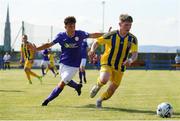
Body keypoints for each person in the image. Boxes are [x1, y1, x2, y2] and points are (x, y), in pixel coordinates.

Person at [33, 16, 104, 106]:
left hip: (74, 66)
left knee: (62, 83)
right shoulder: (61, 36)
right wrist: (36, 49)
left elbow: (93, 35)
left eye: (74, 26)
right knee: (65, 80)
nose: (73, 28)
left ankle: (47, 101)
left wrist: (107, 34)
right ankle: (77, 86)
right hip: (63, 63)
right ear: (65, 27)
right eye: (70, 26)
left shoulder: (80, 34)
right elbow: (49, 44)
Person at [89, 14, 138, 108]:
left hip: (120, 67)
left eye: (130, 25)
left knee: (112, 90)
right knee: (104, 79)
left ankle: (100, 100)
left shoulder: (133, 39)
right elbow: (96, 42)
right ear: (120, 24)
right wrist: (92, 50)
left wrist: (131, 60)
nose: (129, 27)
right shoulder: (111, 35)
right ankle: (97, 85)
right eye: (126, 25)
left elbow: (135, 53)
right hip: (107, 62)